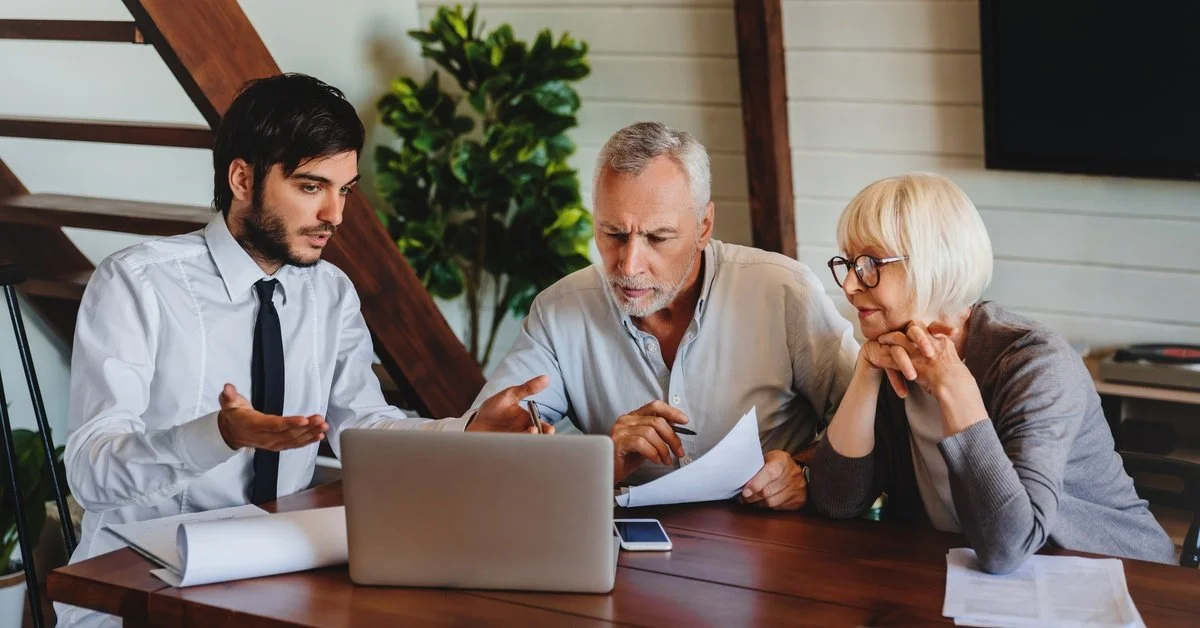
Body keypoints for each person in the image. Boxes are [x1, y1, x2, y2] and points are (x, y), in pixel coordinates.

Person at [58, 74, 547, 627]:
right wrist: (217, 436)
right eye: (311, 187)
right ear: (242, 178)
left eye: (346, 191)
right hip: (137, 588)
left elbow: (362, 427)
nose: (335, 215)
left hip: (279, 579)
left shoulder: (330, 291)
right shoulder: (137, 283)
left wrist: (468, 433)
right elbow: (89, 473)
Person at [469, 122, 858, 509]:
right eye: (613, 233)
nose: (630, 265)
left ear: (703, 227)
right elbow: (484, 442)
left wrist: (803, 468)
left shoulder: (784, 292)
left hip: (779, 550)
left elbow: (873, 426)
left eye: (657, 238)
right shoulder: (559, 312)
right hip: (629, 558)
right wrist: (601, 461)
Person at [808, 172, 1175, 573]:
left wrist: (955, 390)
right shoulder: (892, 354)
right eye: (847, 263)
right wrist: (866, 370)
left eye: (868, 264)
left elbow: (1008, 546)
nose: (848, 285)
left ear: (935, 260)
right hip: (968, 580)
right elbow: (835, 501)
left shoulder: (1035, 363)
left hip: (1117, 577)